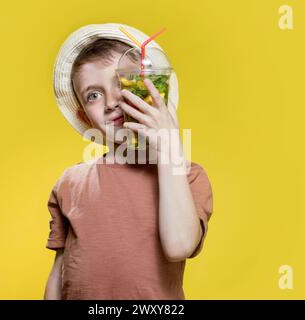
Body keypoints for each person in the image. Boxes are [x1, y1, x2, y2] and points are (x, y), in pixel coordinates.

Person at [44, 23, 213, 300]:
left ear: (152, 93)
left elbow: (179, 246)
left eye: (121, 83)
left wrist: (168, 147)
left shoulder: (187, 175)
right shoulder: (70, 183)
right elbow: (59, 271)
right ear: (86, 118)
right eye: (93, 95)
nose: (111, 102)